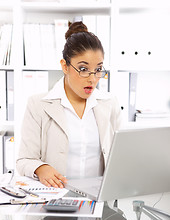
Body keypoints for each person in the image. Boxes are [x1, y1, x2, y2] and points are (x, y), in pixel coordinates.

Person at [16, 21, 122, 188]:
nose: (92, 79)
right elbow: (24, 160)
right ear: (64, 66)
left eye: (98, 69)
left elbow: (121, 156)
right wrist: (41, 168)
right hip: (54, 201)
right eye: (83, 68)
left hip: (99, 200)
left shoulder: (110, 104)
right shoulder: (37, 104)